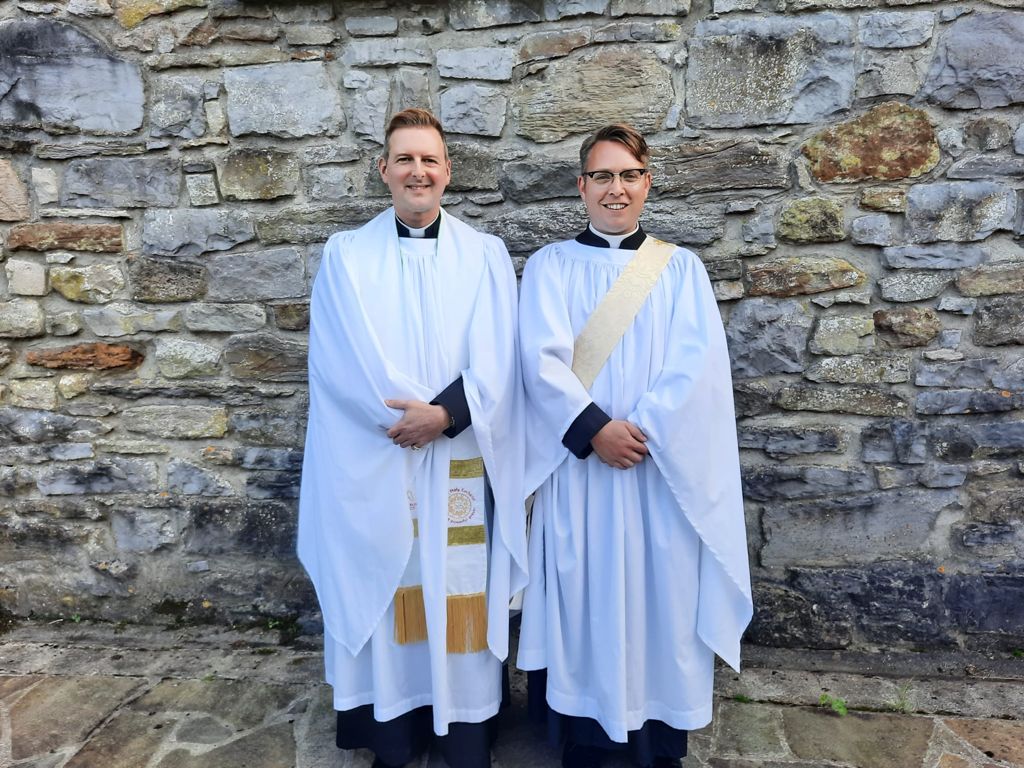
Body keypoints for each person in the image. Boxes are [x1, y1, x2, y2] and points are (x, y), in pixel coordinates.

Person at [516, 124, 753, 768]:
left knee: (660, 601)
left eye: (628, 175)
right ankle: (583, 737)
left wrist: (638, 430)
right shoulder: (550, 267)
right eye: (602, 176)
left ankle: (656, 739)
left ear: (647, 183)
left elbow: (695, 369)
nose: (615, 189)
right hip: (578, 470)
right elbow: (538, 360)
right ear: (581, 186)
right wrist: (595, 428)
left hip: (656, 475)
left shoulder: (681, 269)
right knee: (580, 596)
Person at [298, 108, 527, 768]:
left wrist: (445, 415)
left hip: (459, 451)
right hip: (381, 451)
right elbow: (336, 362)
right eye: (404, 159)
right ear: (384, 170)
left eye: (429, 160)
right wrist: (404, 420)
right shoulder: (346, 256)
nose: (417, 171)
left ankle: (464, 731)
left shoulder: (484, 255)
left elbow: (501, 356)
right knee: (393, 577)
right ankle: (395, 731)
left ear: (448, 171)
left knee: (457, 582)